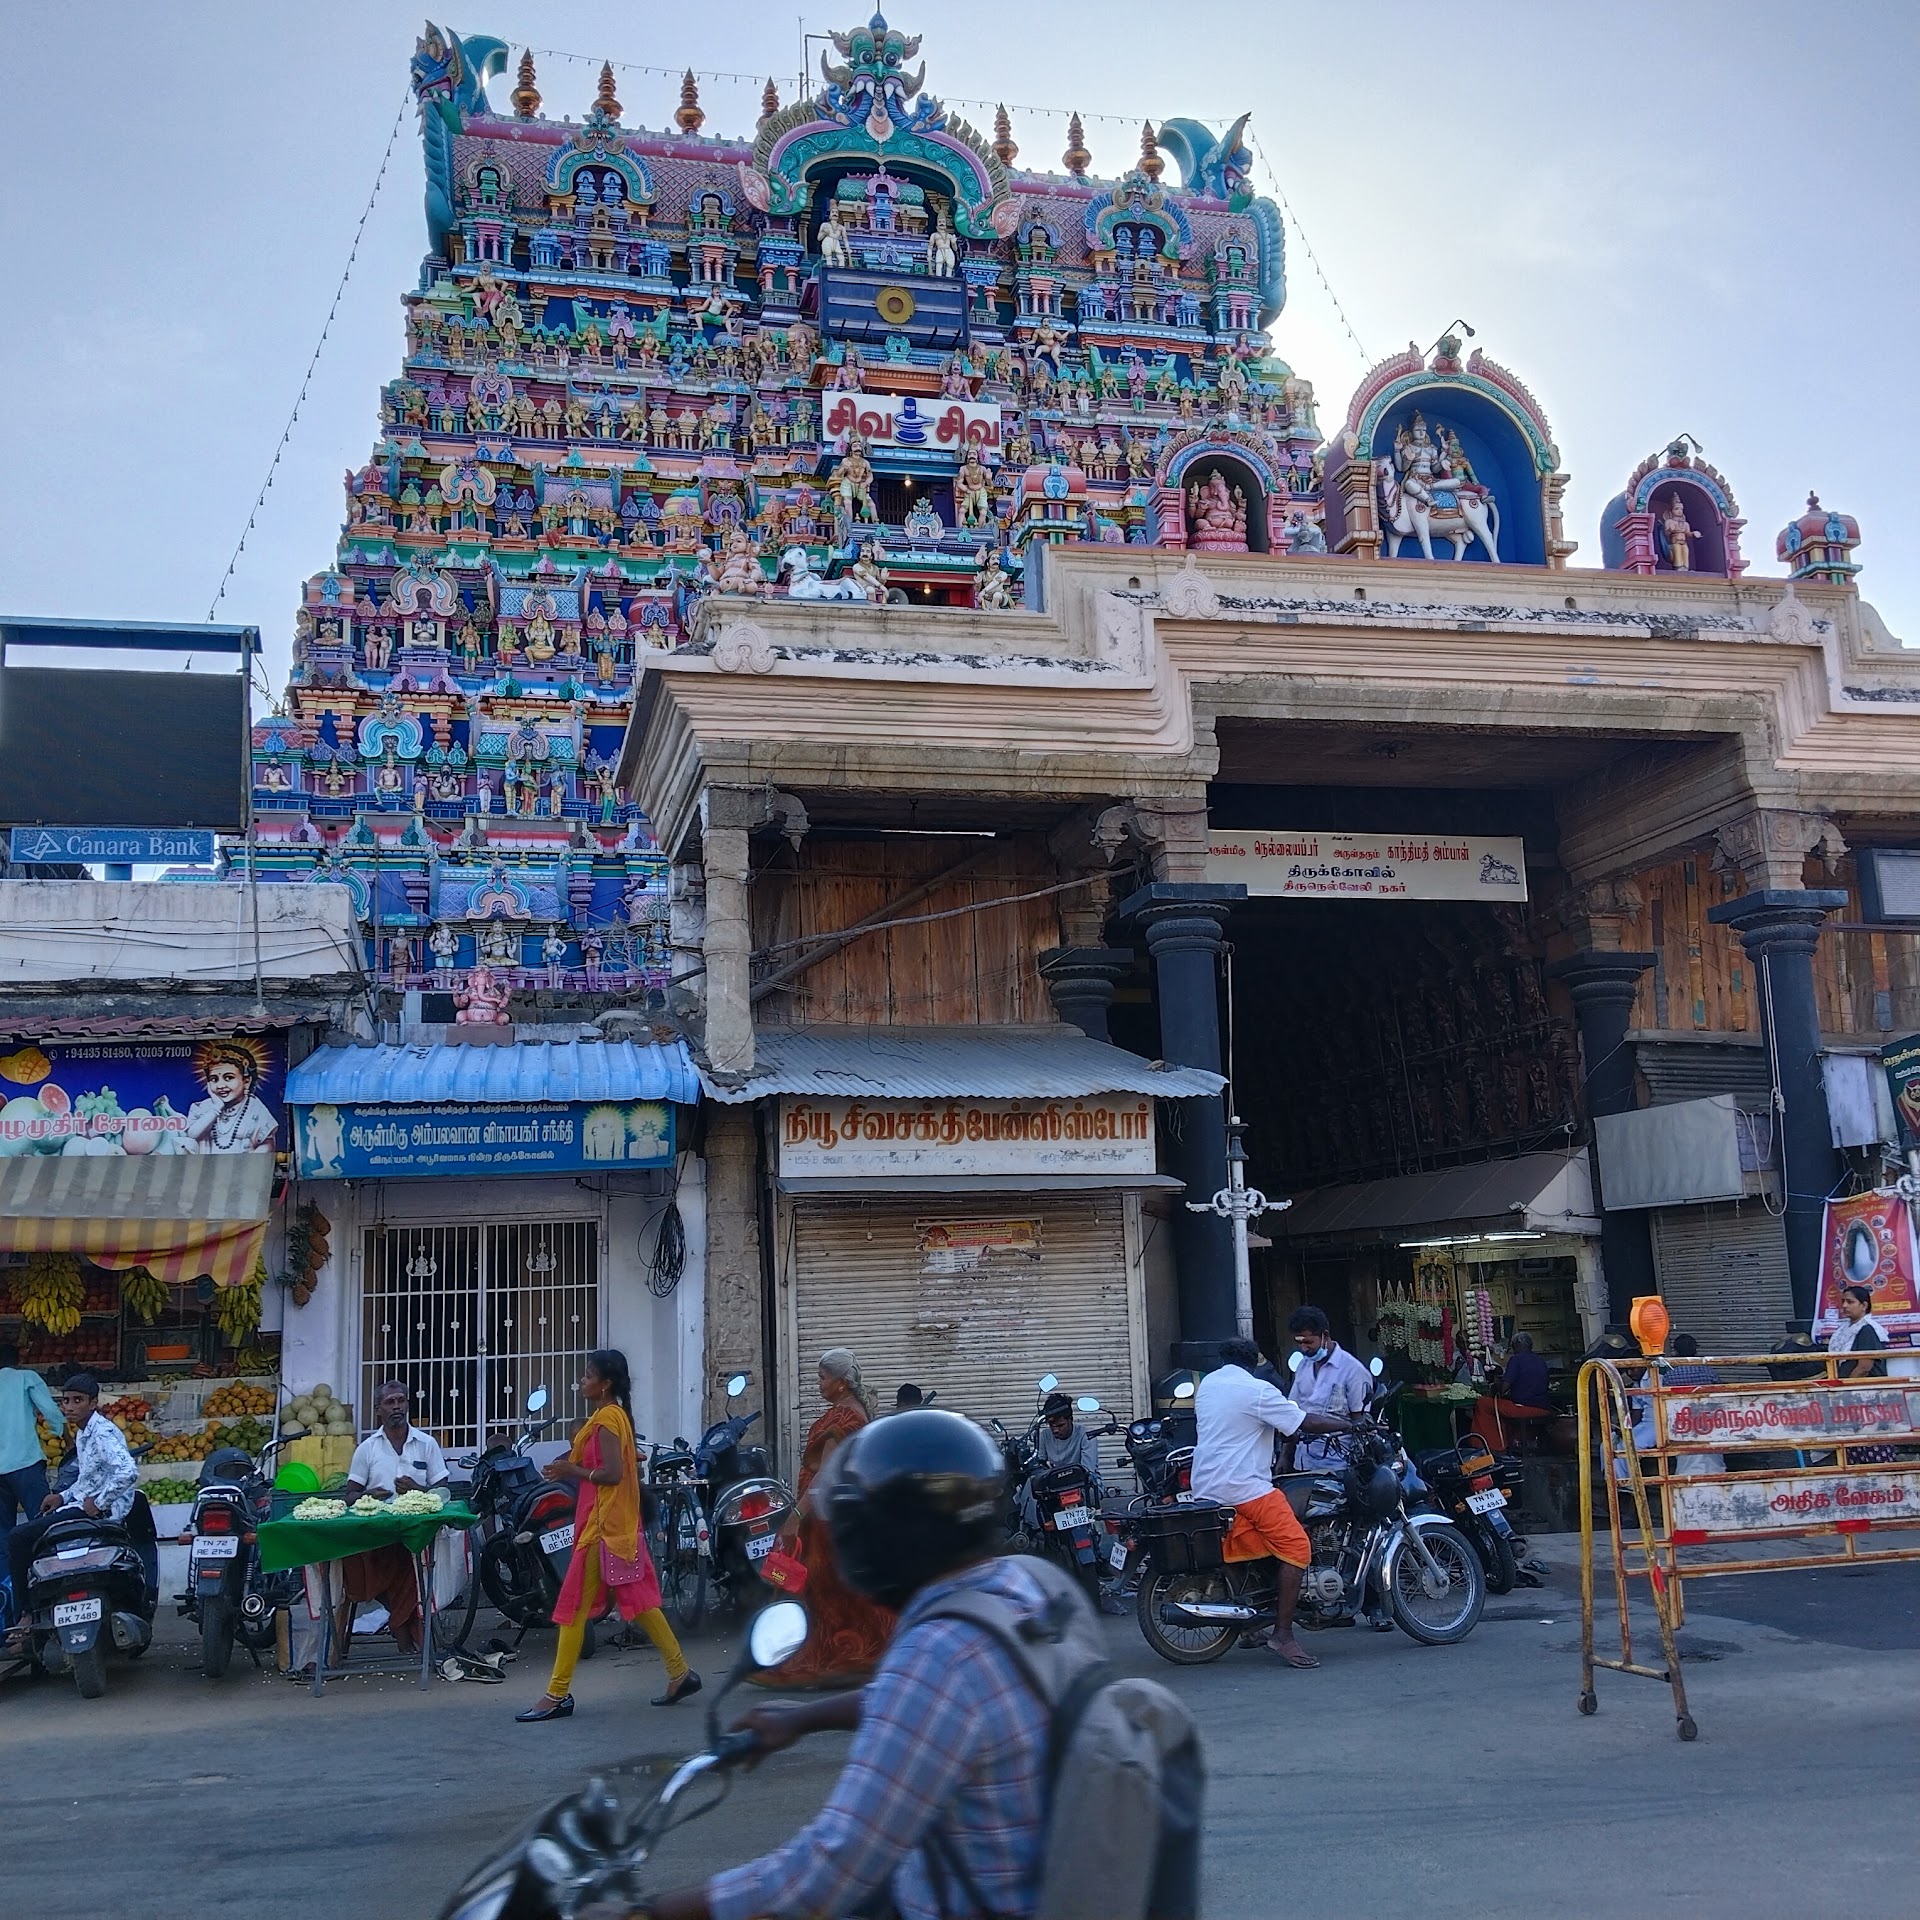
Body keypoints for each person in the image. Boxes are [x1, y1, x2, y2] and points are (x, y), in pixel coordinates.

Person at [646, 1409, 1067, 1920]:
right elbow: (929, 1703)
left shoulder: (937, 1651)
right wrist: (804, 1718)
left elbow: (822, 1874)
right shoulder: (1029, 1586)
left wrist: (650, 1912)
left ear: (897, 1535)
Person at [516, 1349, 696, 1721]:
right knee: (641, 1605)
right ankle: (680, 1673)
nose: (582, 1381)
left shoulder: (607, 1420)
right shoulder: (612, 1416)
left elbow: (612, 1475)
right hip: (615, 1528)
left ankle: (556, 1694)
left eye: (588, 1375)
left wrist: (572, 1470)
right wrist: (572, 1467)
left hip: (603, 1529)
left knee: (572, 1610)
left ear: (605, 1383)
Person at [1192, 1337, 1354, 1669]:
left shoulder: (1208, 1385)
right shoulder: (1257, 1390)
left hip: (1206, 1485)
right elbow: (1305, 1421)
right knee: (1297, 1546)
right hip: (1244, 1488)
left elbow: (1245, 1425)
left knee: (1250, 1543)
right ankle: (1283, 1635)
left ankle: (1250, 1625)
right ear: (1255, 1362)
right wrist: (1350, 1424)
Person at [754, 1348, 895, 1688]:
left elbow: (825, 1477)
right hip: (836, 1515)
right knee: (839, 1592)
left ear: (841, 1382)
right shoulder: (850, 1412)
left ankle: (828, 1661)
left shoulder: (844, 1419)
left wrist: (796, 1514)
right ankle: (852, 1657)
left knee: (823, 1592)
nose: (818, 1383)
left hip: (825, 1519)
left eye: (822, 1377)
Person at [5, 1374, 138, 1652]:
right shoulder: (84, 1432)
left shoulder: (101, 1433)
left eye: (78, 1401)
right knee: (38, 1532)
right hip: (83, 1504)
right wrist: (62, 1496)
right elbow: (88, 1479)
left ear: (93, 1403)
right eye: (66, 1401)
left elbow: (128, 1472)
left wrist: (99, 1502)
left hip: (102, 1511)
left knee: (18, 1538)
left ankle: (26, 1615)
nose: (69, 1407)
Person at [333, 1379, 449, 1658]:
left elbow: (443, 1491)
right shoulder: (368, 1448)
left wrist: (417, 1489)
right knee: (371, 1566)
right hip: (377, 1533)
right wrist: (369, 1495)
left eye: (401, 1400)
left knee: (410, 1565)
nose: (396, 1406)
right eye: (389, 1402)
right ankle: (403, 1628)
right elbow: (350, 1495)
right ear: (378, 1409)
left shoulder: (426, 1444)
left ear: (407, 1404)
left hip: (416, 1532)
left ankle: (403, 1629)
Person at [1284, 1307, 1374, 1466]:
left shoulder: (1353, 1370)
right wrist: (1285, 1457)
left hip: (1338, 1463)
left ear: (1325, 1335)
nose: (1303, 1348)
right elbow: (1292, 1415)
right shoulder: (1303, 1366)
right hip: (1303, 1461)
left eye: (1308, 1342)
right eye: (1299, 1343)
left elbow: (1359, 1422)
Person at [0, 1341, 62, 1564]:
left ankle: (7, 1581)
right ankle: (49, 1570)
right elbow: (50, 1411)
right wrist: (64, 1434)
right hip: (25, 1463)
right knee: (43, 1523)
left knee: (2, 1534)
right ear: (18, 1361)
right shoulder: (26, 1378)